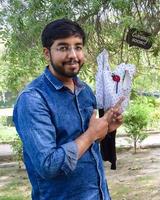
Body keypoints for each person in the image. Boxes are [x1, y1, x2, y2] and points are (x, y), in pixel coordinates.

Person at [13, 19, 123, 200]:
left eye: (78, 47)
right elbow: (48, 165)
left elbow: (86, 143)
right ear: (47, 53)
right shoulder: (33, 99)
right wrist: (91, 134)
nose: (73, 55)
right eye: (63, 48)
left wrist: (105, 130)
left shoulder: (85, 91)